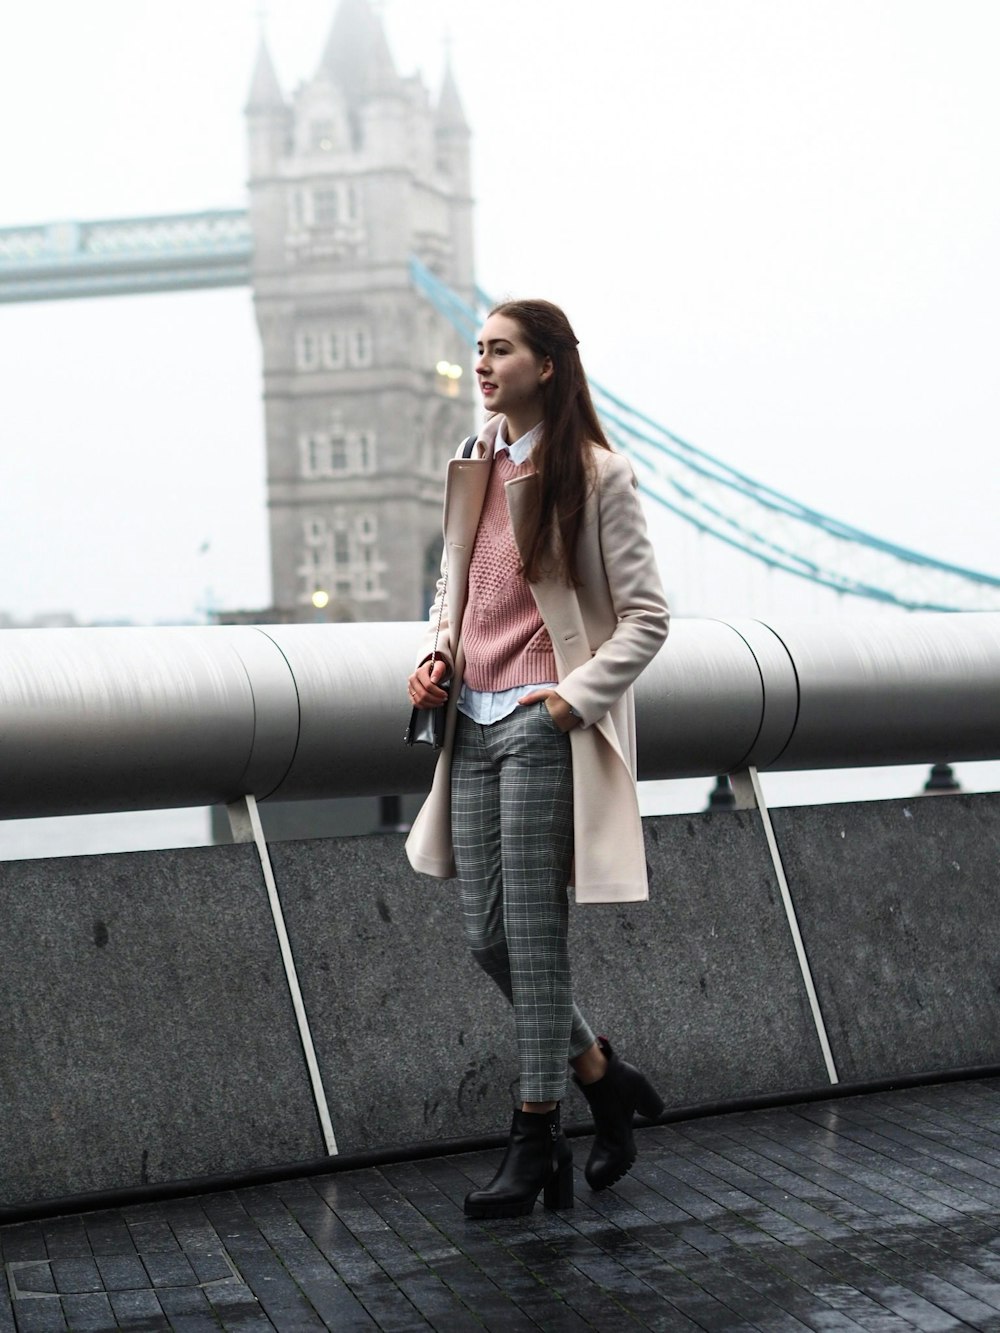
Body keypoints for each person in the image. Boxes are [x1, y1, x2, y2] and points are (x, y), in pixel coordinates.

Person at [405, 298, 670, 1219]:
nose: (482, 363)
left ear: (548, 364)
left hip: (537, 724)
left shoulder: (597, 474)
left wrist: (569, 699)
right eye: (476, 348)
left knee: (534, 932)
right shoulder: (474, 463)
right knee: (487, 937)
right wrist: (438, 653)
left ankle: (534, 1135)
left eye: (502, 349)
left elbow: (647, 617)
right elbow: (458, 586)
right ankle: (602, 1074)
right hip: (468, 723)